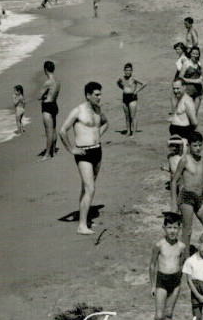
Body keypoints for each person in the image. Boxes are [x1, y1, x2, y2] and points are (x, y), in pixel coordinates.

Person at [58, 81, 109, 235]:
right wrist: (71, 149)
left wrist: (98, 134)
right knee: (90, 189)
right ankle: (81, 226)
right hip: (83, 154)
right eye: (96, 95)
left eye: (100, 94)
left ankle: (84, 219)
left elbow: (106, 123)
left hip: (97, 151)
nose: (100, 97)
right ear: (88, 95)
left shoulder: (98, 110)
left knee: (86, 188)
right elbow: (62, 131)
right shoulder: (78, 111)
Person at [148, 212, 186, 320]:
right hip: (161, 281)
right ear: (164, 228)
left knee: (169, 313)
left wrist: (179, 282)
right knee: (159, 316)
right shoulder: (159, 245)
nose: (172, 231)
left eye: (175, 228)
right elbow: (152, 265)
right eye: (169, 227)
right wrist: (153, 285)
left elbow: (182, 265)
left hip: (175, 282)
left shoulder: (182, 246)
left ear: (179, 229)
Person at [38, 61, 61, 159]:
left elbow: (39, 96)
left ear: (45, 70)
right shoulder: (57, 81)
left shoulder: (48, 82)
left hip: (47, 106)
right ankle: (53, 151)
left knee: (48, 131)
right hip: (54, 105)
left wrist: (44, 96)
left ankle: (47, 154)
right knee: (54, 129)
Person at [117, 63, 146, 137]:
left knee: (133, 116)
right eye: (126, 70)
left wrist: (136, 91)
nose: (128, 72)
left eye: (129, 70)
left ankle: (134, 133)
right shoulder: (122, 78)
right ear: (124, 70)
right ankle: (128, 131)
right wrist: (122, 88)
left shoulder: (134, 78)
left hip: (132, 97)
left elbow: (144, 83)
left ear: (132, 71)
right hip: (125, 97)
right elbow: (118, 83)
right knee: (127, 116)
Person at [181, 46, 203, 114]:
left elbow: (202, 75)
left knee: (195, 112)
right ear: (190, 53)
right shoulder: (186, 64)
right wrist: (195, 81)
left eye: (197, 54)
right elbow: (180, 78)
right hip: (188, 91)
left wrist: (201, 79)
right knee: (188, 112)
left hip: (198, 91)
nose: (195, 55)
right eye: (193, 53)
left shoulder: (199, 64)